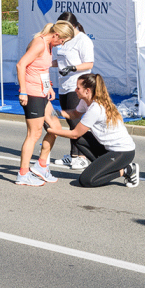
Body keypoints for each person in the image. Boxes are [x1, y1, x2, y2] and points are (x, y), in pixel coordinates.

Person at [49, 73, 139, 188]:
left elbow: (75, 134)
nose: (75, 90)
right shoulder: (86, 101)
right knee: (81, 140)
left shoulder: (95, 108)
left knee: (86, 180)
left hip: (123, 152)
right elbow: (75, 114)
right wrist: (55, 113)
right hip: (108, 149)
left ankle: (127, 169)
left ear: (87, 91)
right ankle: (102, 167)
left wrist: (52, 130)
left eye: (78, 88)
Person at [15, 21, 75, 186]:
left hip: (42, 93)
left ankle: (41, 166)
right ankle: (23, 174)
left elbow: (43, 69)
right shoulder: (40, 43)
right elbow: (21, 65)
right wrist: (23, 91)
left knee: (55, 128)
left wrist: (48, 88)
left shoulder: (49, 45)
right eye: (62, 40)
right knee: (33, 135)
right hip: (32, 94)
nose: (61, 44)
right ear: (56, 35)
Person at [52, 12, 94, 170]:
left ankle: (83, 156)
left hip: (77, 85)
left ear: (72, 26)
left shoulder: (83, 40)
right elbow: (61, 61)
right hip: (63, 84)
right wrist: (47, 64)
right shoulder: (65, 40)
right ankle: (73, 155)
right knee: (69, 121)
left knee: (75, 120)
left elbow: (89, 63)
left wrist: (72, 68)